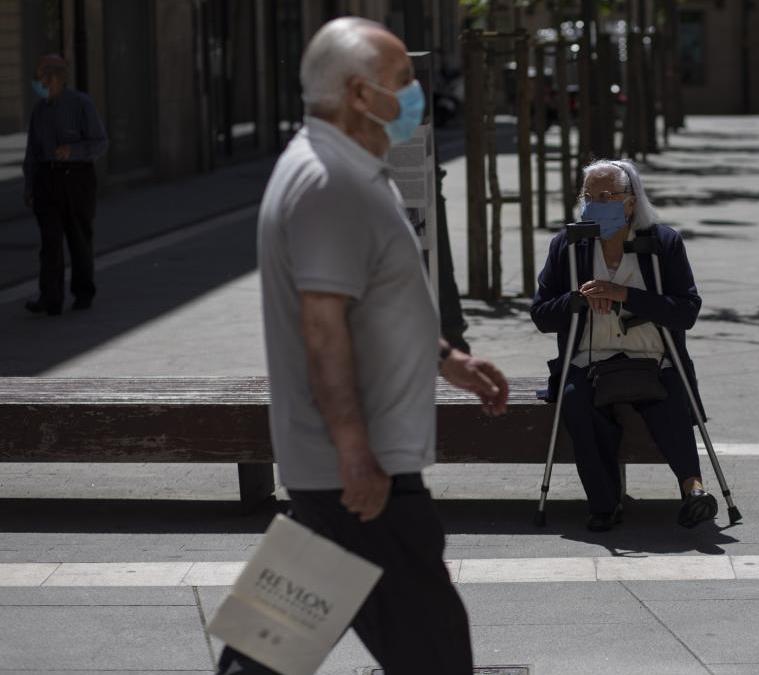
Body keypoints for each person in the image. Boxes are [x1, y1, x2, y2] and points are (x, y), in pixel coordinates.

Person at [217, 17, 508, 675]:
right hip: (364, 474)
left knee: (269, 651)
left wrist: (446, 360)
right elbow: (323, 330)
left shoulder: (342, 170)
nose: (416, 94)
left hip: (343, 474)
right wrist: (356, 455)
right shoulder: (329, 182)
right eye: (402, 80)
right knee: (435, 652)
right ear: (356, 92)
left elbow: (370, 305)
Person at [530, 159, 718, 532]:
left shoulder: (662, 244)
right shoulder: (569, 247)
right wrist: (577, 301)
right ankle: (603, 504)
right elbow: (540, 315)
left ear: (631, 202)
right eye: (590, 196)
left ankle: (693, 490)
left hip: (654, 358)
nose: (597, 203)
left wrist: (625, 295)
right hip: (589, 361)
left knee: (670, 403)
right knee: (578, 405)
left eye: (608, 196)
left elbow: (686, 312)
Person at [22, 54, 107, 316]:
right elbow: (32, 152)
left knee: (79, 237)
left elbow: (100, 143)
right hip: (47, 180)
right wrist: (29, 185)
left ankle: (83, 293)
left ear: (55, 77)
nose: (37, 82)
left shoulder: (81, 104)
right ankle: (50, 297)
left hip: (77, 178)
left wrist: (74, 151)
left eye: (41, 76)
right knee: (50, 241)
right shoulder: (39, 110)